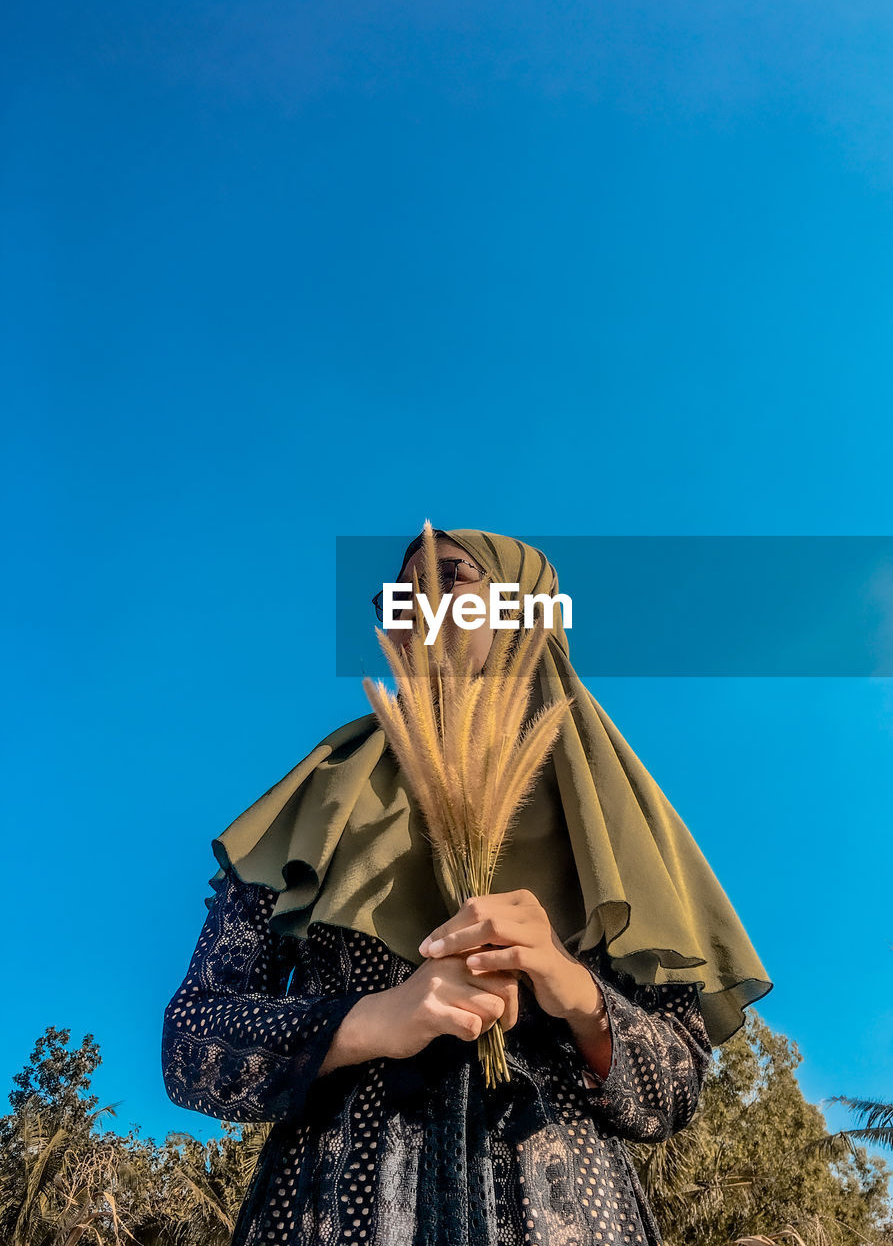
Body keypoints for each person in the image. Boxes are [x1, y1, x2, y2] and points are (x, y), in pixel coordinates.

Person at [161, 527, 773, 1246]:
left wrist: (574, 991)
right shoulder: (320, 797)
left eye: (453, 577)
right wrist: (368, 1022)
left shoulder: (615, 817)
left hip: (568, 1215)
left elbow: (672, 1095)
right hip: (339, 1212)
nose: (417, 600)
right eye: (398, 591)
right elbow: (191, 1042)